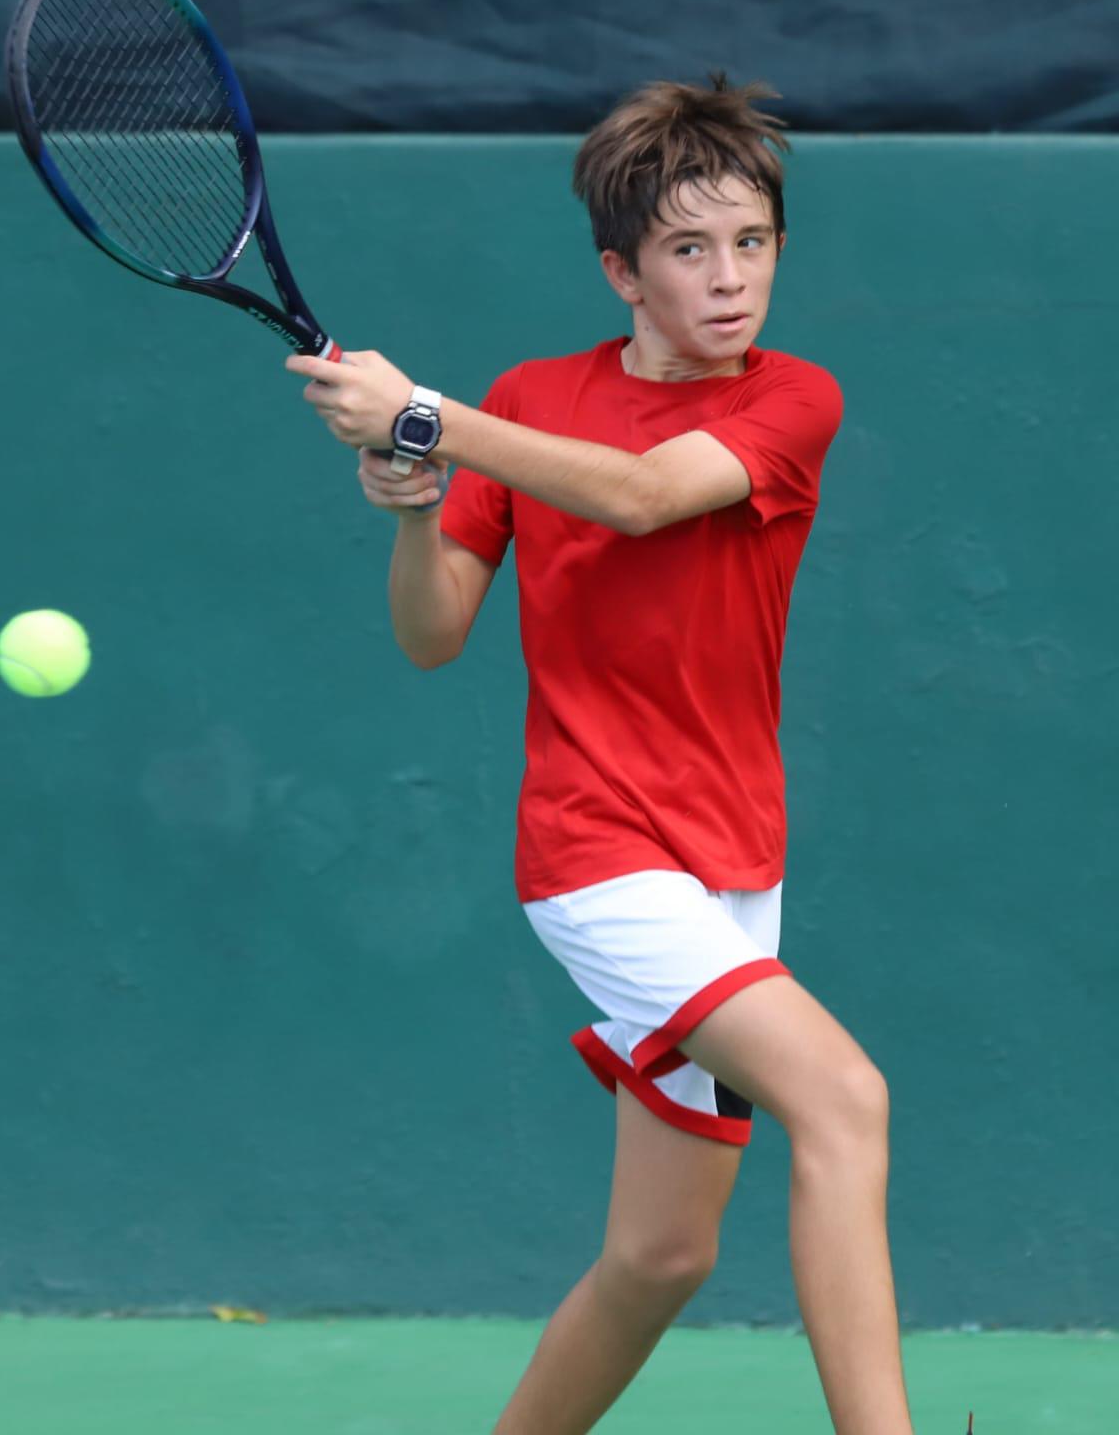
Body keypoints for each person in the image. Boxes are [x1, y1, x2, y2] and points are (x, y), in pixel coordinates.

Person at [285, 74, 920, 1435]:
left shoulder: (794, 400)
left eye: (751, 243)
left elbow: (639, 496)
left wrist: (425, 422)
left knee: (660, 1256)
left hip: (737, 855)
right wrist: (411, 508)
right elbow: (435, 633)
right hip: (596, 855)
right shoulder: (532, 400)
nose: (729, 278)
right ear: (621, 271)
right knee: (845, 1099)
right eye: (689, 251)